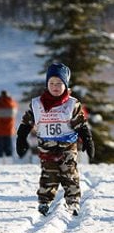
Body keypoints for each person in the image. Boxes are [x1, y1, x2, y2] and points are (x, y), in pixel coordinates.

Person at [16, 63, 94, 216]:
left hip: (67, 147)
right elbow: (26, 123)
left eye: (59, 83)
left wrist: (87, 140)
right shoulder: (37, 104)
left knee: (69, 174)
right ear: (47, 84)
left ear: (65, 85)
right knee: (48, 174)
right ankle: (44, 202)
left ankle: (73, 202)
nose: (55, 86)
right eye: (51, 83)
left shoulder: (72, 104)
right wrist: (21, 138)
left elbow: (81, 125)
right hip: (47, 147)